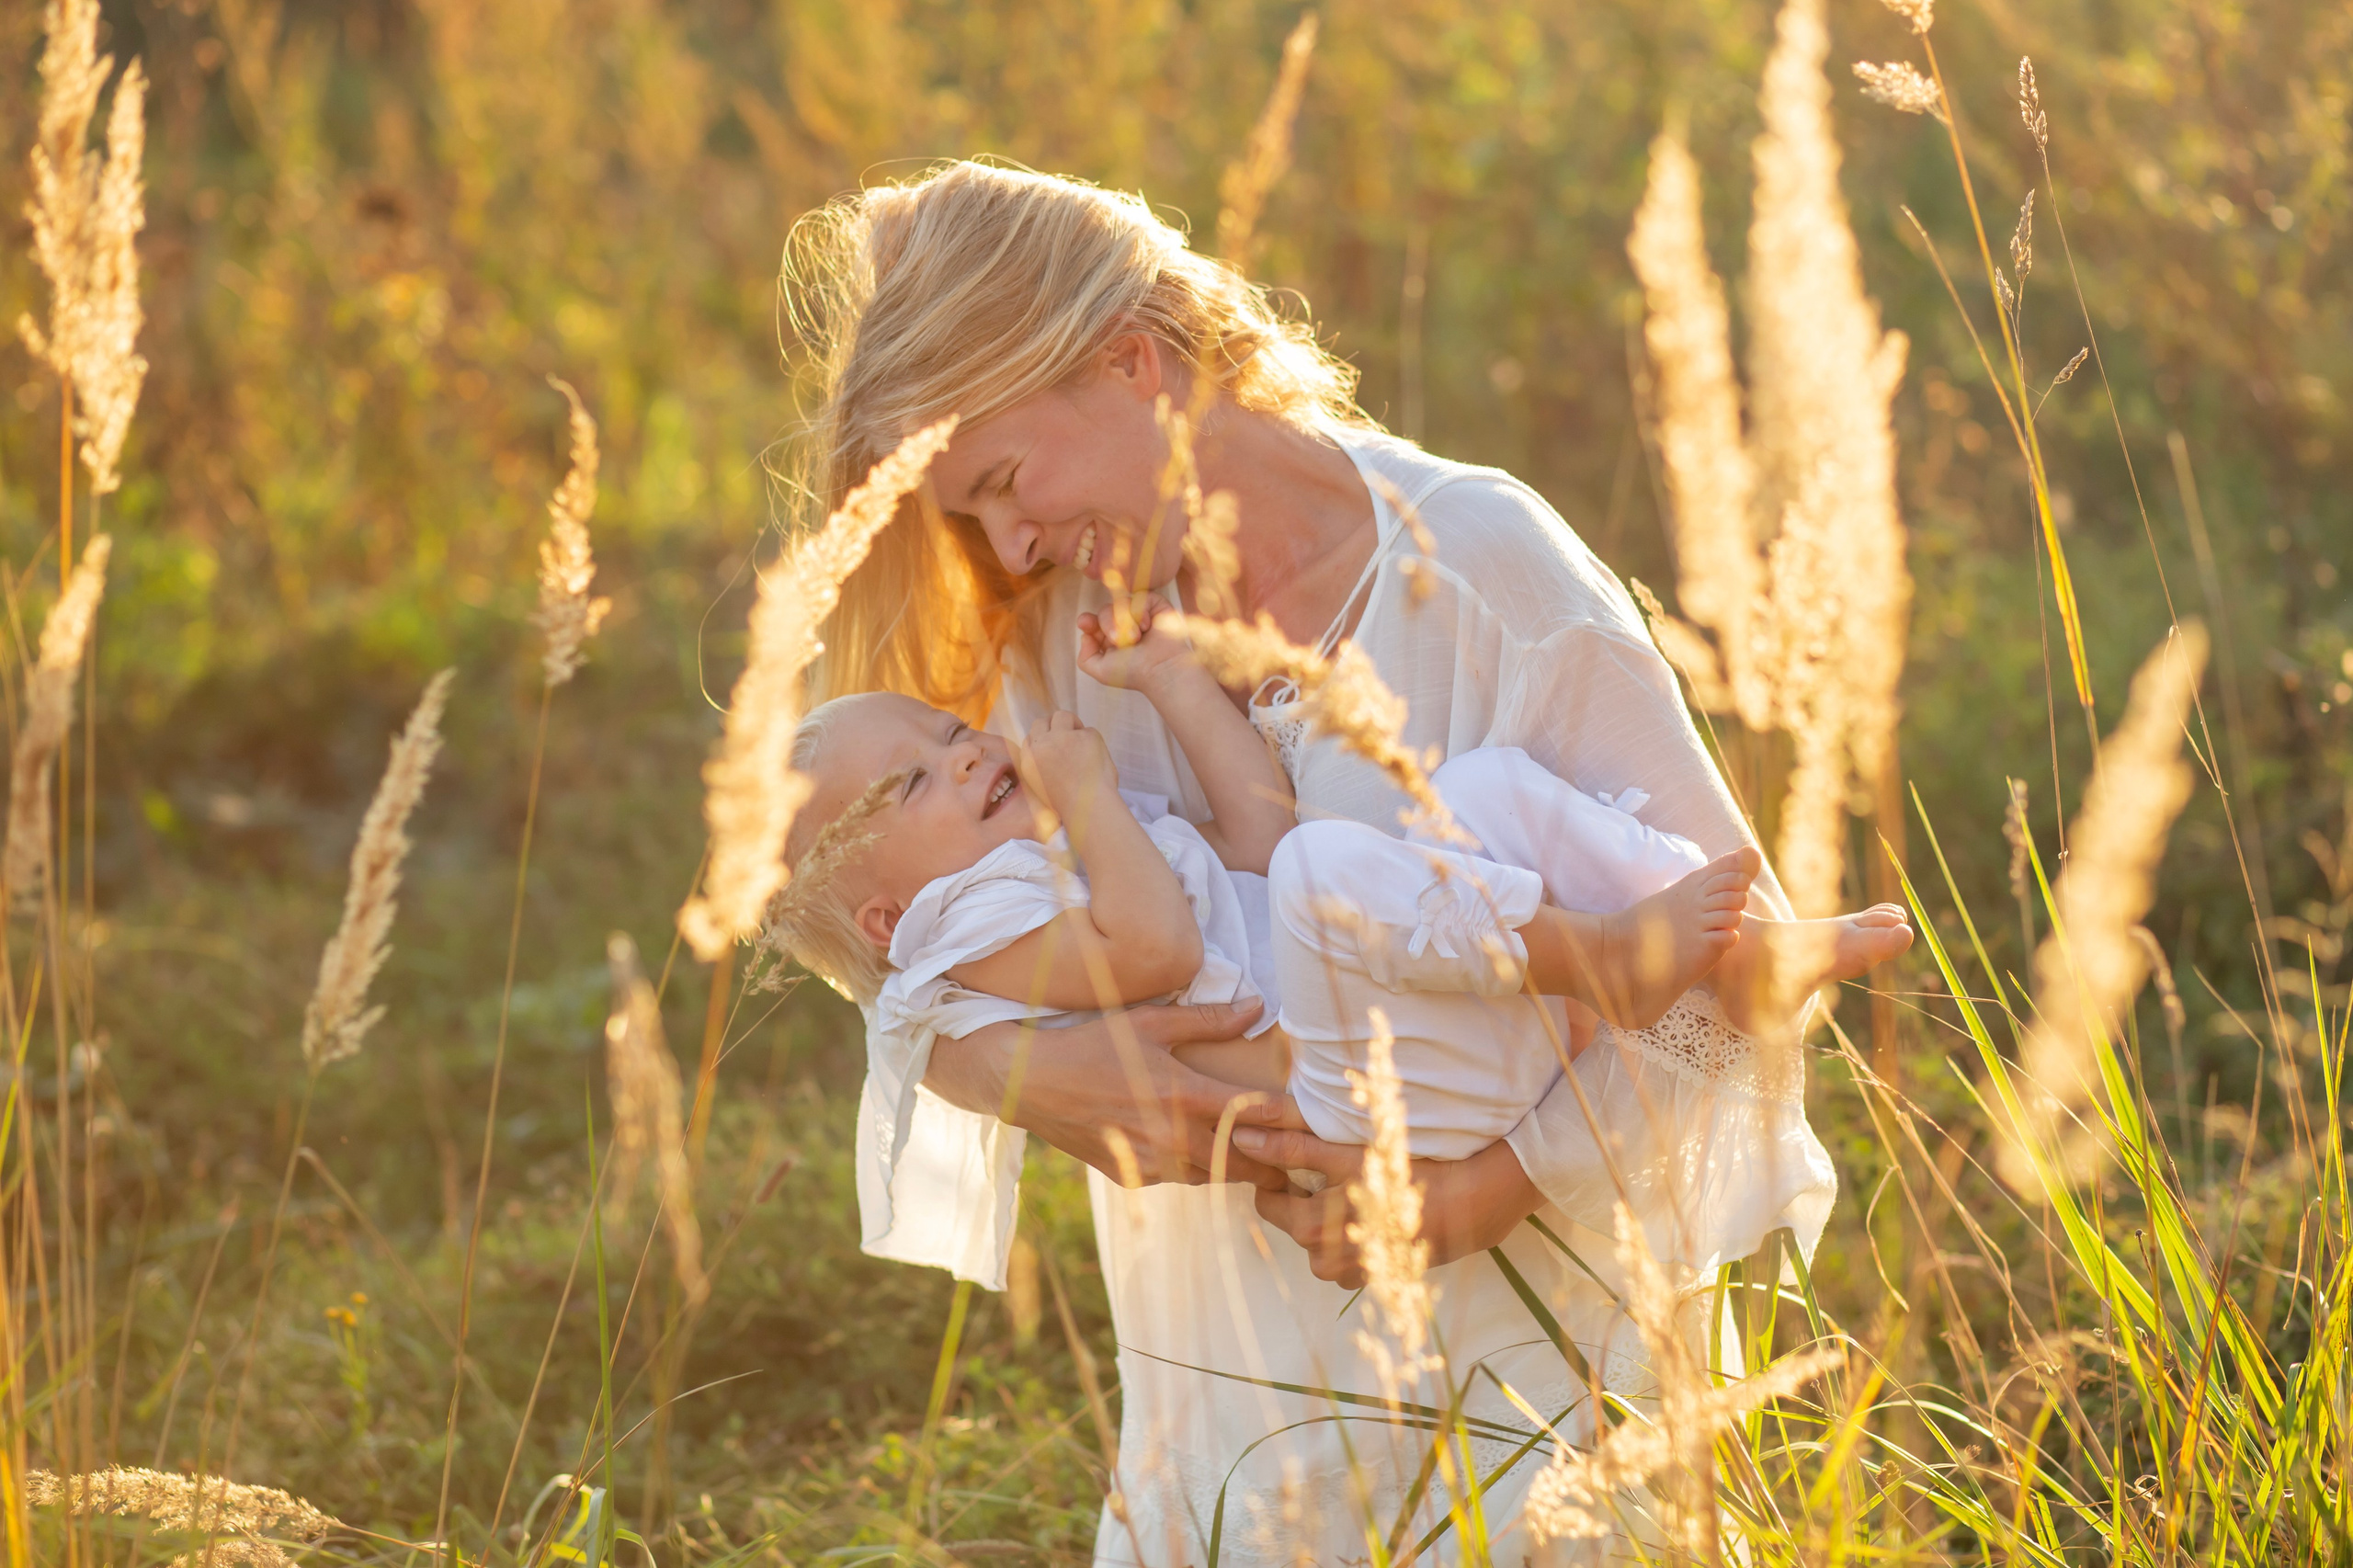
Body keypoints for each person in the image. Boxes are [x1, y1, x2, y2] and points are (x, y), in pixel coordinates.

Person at [781, 158, 1908, 1563]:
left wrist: (1495, 1180)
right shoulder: (1058, 641)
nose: (1006, 540)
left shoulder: (1476, 566)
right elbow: (895, 923)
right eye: (972, 514)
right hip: (1239, 1396)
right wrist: (993, 1068)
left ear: (1132, 363)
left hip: (1523, 1375)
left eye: (1007, 480)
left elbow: (1738, 975)